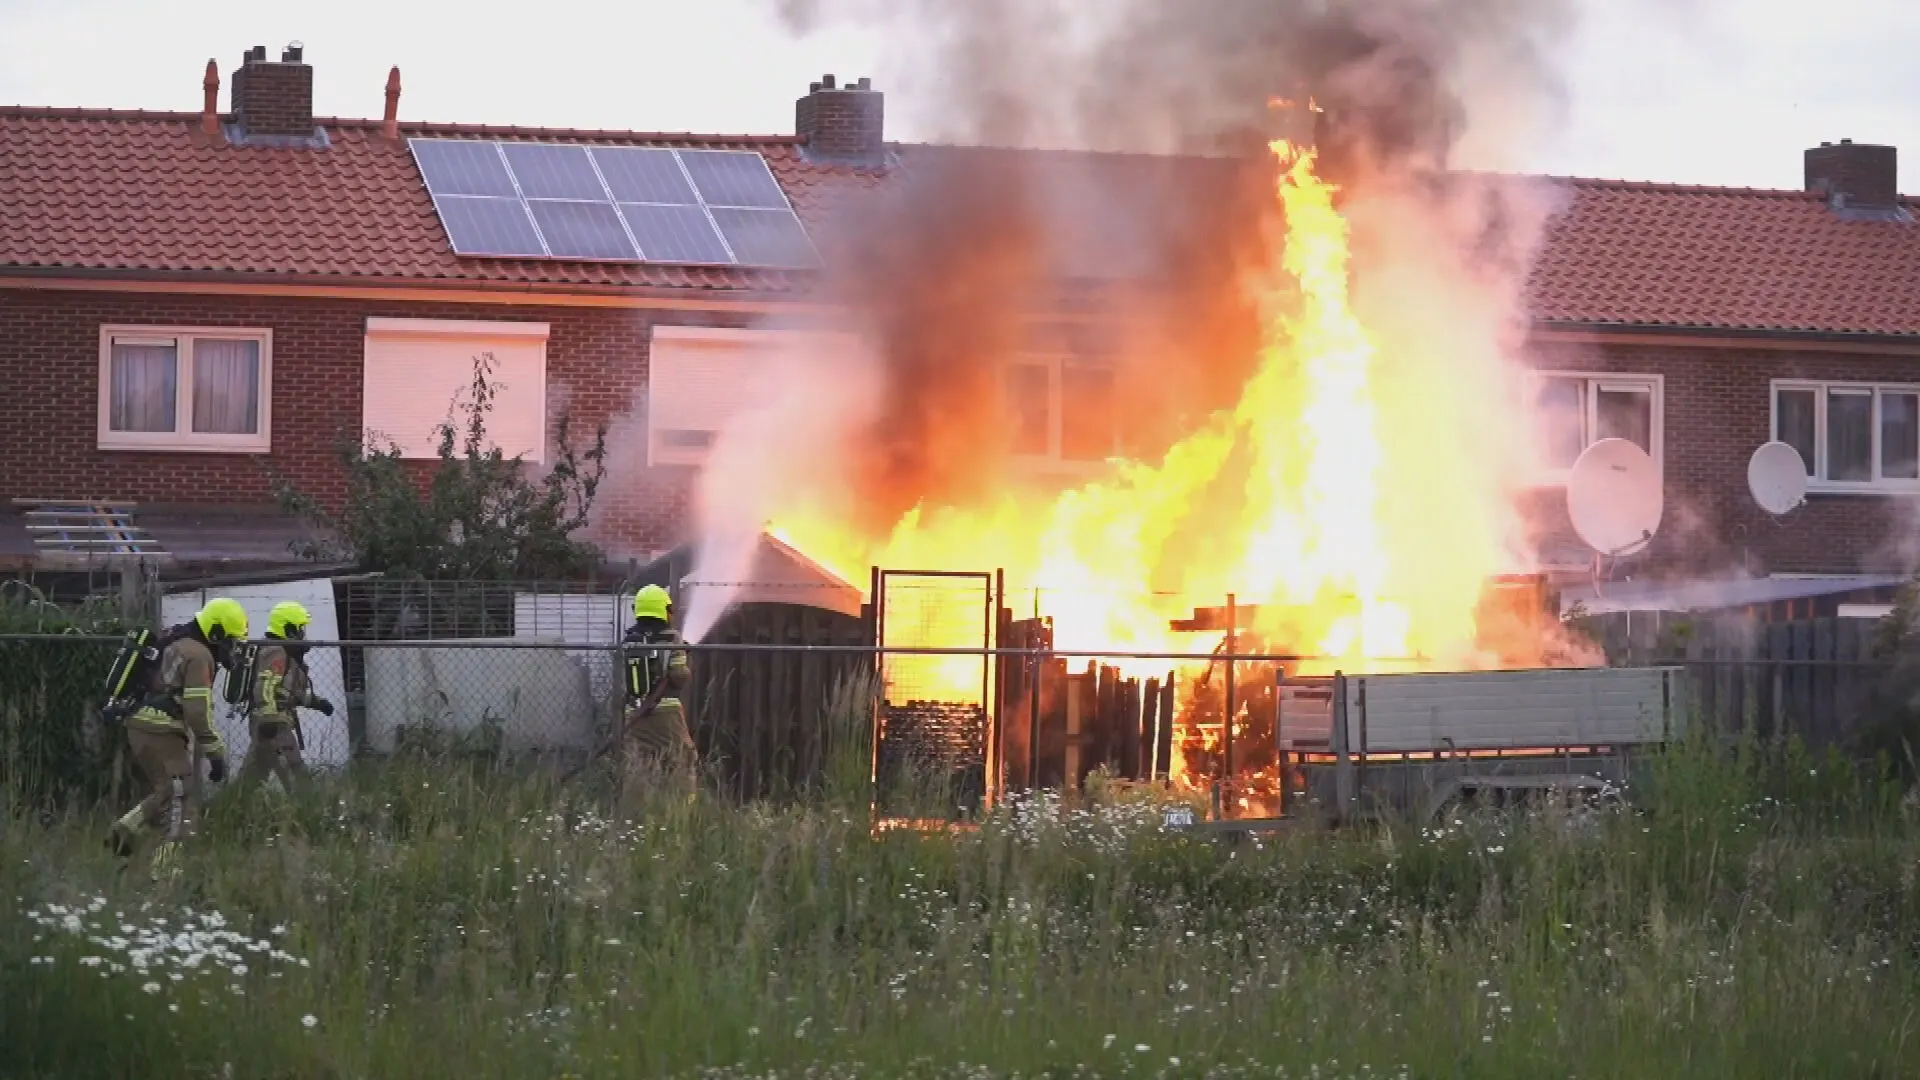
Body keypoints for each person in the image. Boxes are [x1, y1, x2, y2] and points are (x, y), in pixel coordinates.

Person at [106, 597, 245, 881]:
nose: (232, 649)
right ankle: (164, 876)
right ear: (216, 633)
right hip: (163, 733)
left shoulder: (177, 640)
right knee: (183, 802)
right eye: (230, 641)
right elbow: (196, 712)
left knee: (168, 790)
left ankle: (124, 831)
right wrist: (215, 751)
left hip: (140, 726)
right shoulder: (200, 656)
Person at [239, 600, 334, 794]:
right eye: (300, 629)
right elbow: (263, 687)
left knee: (251, 780)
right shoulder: (276, 652)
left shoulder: (284, 652)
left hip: (269, 723)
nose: (303, 634)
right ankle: (306, 813)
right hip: (273, 725)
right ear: (289, 629)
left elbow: (286, 692)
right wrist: (269, 718)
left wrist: (315, 702)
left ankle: (228, 810)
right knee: (297, 775)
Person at [619, 584, 694, 797]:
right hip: (665, 711)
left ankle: (639, 805)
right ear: (663, 609)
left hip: (635, 712)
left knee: (642, 760)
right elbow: (679, 676)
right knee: (683, 757)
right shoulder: (672, 638)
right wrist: (685, 661)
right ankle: (682, 809)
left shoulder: (629, 640)